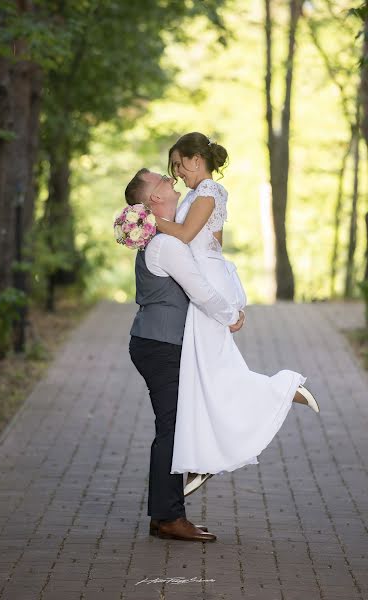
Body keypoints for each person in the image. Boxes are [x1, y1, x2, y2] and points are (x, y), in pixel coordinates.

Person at [144, 132, 320, 497]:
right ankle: (202, 459)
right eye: (173, 167)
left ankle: (284, 389)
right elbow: (214, 243)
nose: (177, 173)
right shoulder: (197, 194)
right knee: (205, 373)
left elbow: (186, 235)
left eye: (179, 164)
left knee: (213, 372)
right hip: (206, 277)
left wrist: (145, 221)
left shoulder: (208, 192)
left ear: (196, 160)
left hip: (204, 283)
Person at [125, 168, 245, 542]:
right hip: (161, 346)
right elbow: (200, 291)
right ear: (153, 200)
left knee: (175, 426)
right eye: (161, 178)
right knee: (172, 429)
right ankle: (167, 517)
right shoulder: (167, 244)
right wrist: (231, 317)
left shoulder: (164, 237)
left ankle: (167, 511)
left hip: (158, 343)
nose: (168, 176)